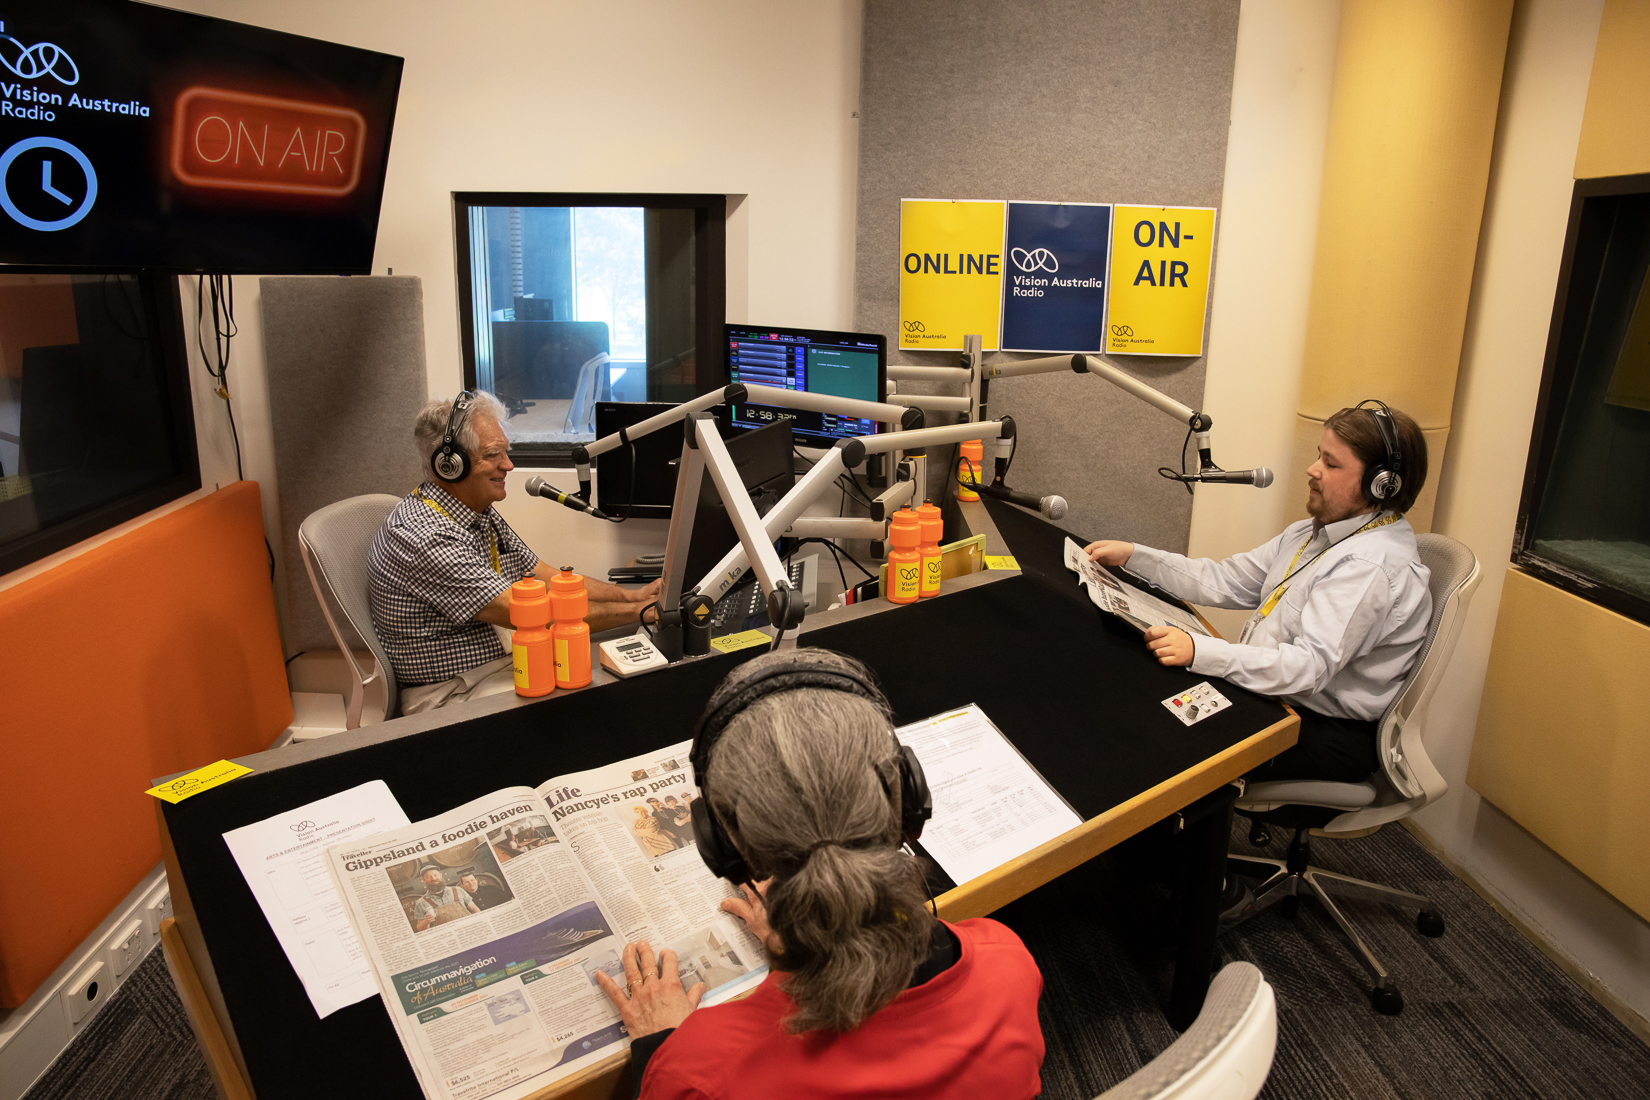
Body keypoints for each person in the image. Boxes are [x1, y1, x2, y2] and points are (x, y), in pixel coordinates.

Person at [594, 650, 1045, 1100]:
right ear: (904, 799)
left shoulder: (699, 1072)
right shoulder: (1005, 962)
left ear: (727, 848)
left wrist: (658, 1045)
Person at [1086, 401, 1432, 783]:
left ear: (1381, 485)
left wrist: (1201, 651)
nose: (1312, 469)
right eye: (1319, 456)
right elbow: (1225, 580)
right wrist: (1135, 557)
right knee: (1142, 702)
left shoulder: (1369, 567)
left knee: (1160, 746)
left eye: (1331, 464)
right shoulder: (1313, 532)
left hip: (1320, 729)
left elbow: (1307, 669)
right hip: (1277, 696)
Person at [368, 391, 661, 714]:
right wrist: (641, 613)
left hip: (504, 662)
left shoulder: (474, 510)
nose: (508, 465)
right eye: (493, 455)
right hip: (453, 693)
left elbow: (544, 575)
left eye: (505, 452)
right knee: (611, 700)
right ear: (449, 465)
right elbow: (534, 616)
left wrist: (632, 597)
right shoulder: (426, 537)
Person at [411, 867, 479, 932]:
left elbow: (474, 910)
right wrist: (425, 922)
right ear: (423, 880)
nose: (433, 878)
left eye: (435, 875)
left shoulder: (457, 890)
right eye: (428, 877)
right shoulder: (420, 902)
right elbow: (420, 928)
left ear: (440, 875)